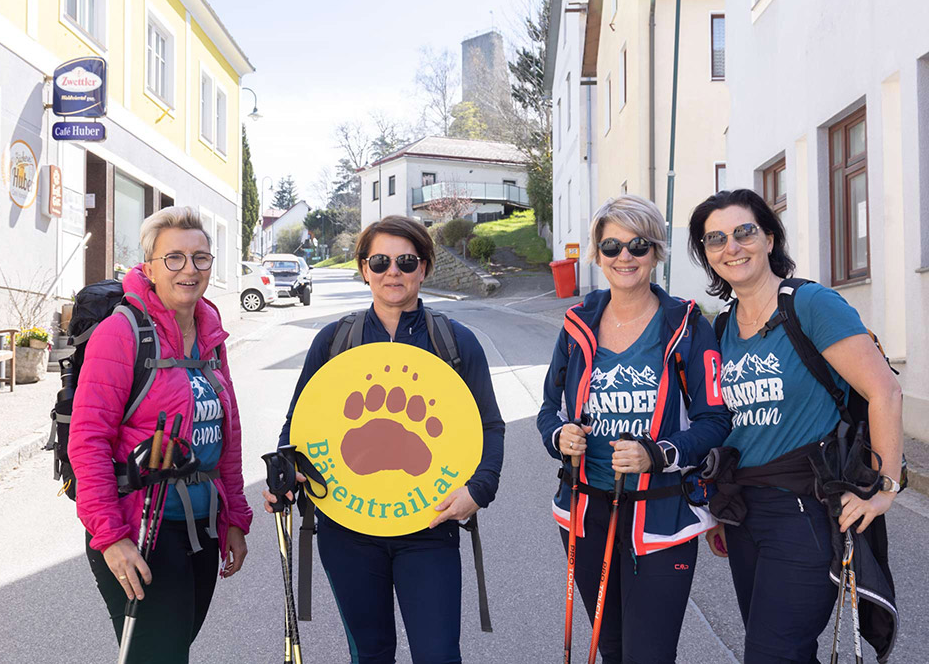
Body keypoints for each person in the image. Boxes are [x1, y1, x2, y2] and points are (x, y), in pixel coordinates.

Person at [263, 215, 504, 664]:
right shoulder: (334, 342)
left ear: (425, 268)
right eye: (380, 261)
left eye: (406, 261)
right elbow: (299, 424)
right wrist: (286, 471)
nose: (393, 271)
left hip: (429, 524)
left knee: (437, 655)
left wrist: (478, 489)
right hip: (347, 526)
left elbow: (489, 425)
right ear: (364, 269)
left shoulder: (455, 343)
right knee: (370, 654)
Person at [687, 188, 904, 663]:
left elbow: (884, 390)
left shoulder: (809, 304)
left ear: (768, 237)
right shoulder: (721, 328)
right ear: (707, 255)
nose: (732, 247)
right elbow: (728, 425)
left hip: (805, 508)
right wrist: (717, 511)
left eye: (744, 232)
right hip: (744, 511)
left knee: (771, 653)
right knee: (782, 649)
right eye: (716, 239)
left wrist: (885, 486)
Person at [537, 195, 731, 663]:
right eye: (611, 246)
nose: (624, 256)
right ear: (596, 253)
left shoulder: (685, 324)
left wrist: (658, 453)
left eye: (638, 245)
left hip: (660, 515)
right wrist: (558, 439)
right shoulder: (577, 323)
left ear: (656, 252)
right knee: (612, 646)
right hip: (585, 512)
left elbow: (715, 419)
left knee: (649, 653)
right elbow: (548, 408)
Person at [70, 206, 252, 663]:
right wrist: (110, 538)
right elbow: (87, 439)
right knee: (158, 656)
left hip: (202, 529)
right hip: (141, 529)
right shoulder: (122, 332)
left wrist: (235, 517)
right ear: (149, 266)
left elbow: (225, 434)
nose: (189, 269)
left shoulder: (211, 335)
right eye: (174, 258)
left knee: (173, 650)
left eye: (200, 258)